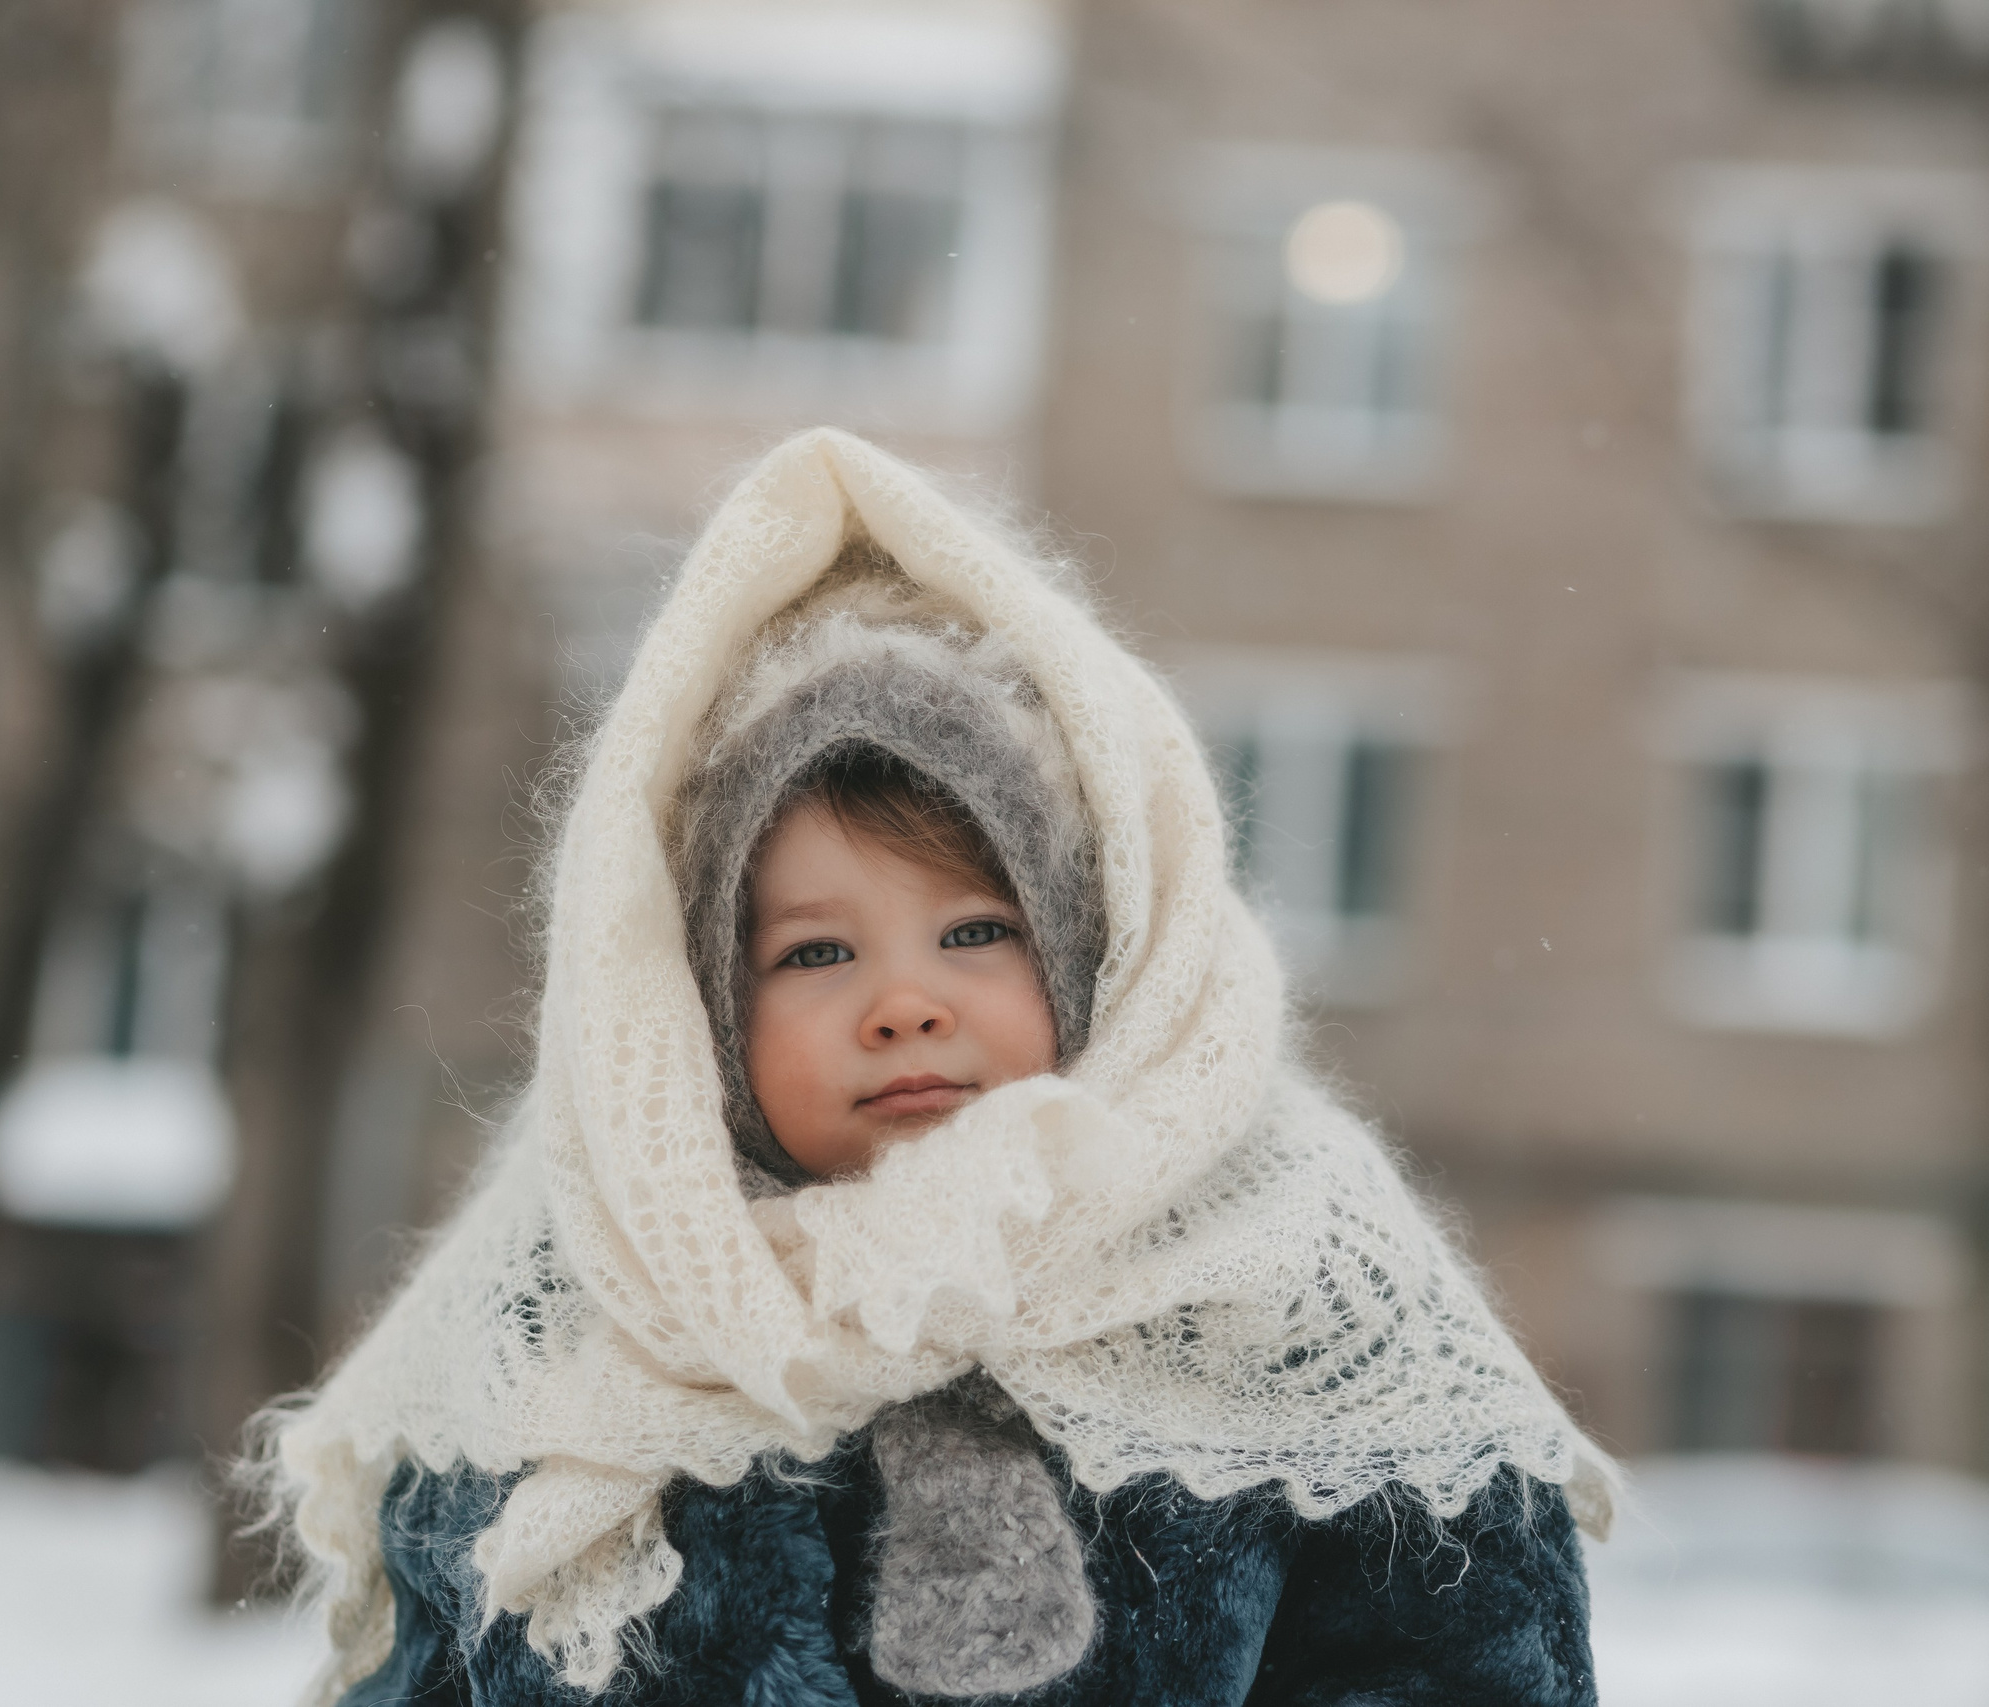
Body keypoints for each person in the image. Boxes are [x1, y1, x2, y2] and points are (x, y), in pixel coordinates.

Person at [251, 429, 1615, 1707]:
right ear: (702, 1009)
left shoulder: (1291, 1270)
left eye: (975, 931)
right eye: (814, 955)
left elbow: (1466, 1656)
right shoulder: (571, 1298)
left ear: (1092, 949)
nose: (904, 1005)